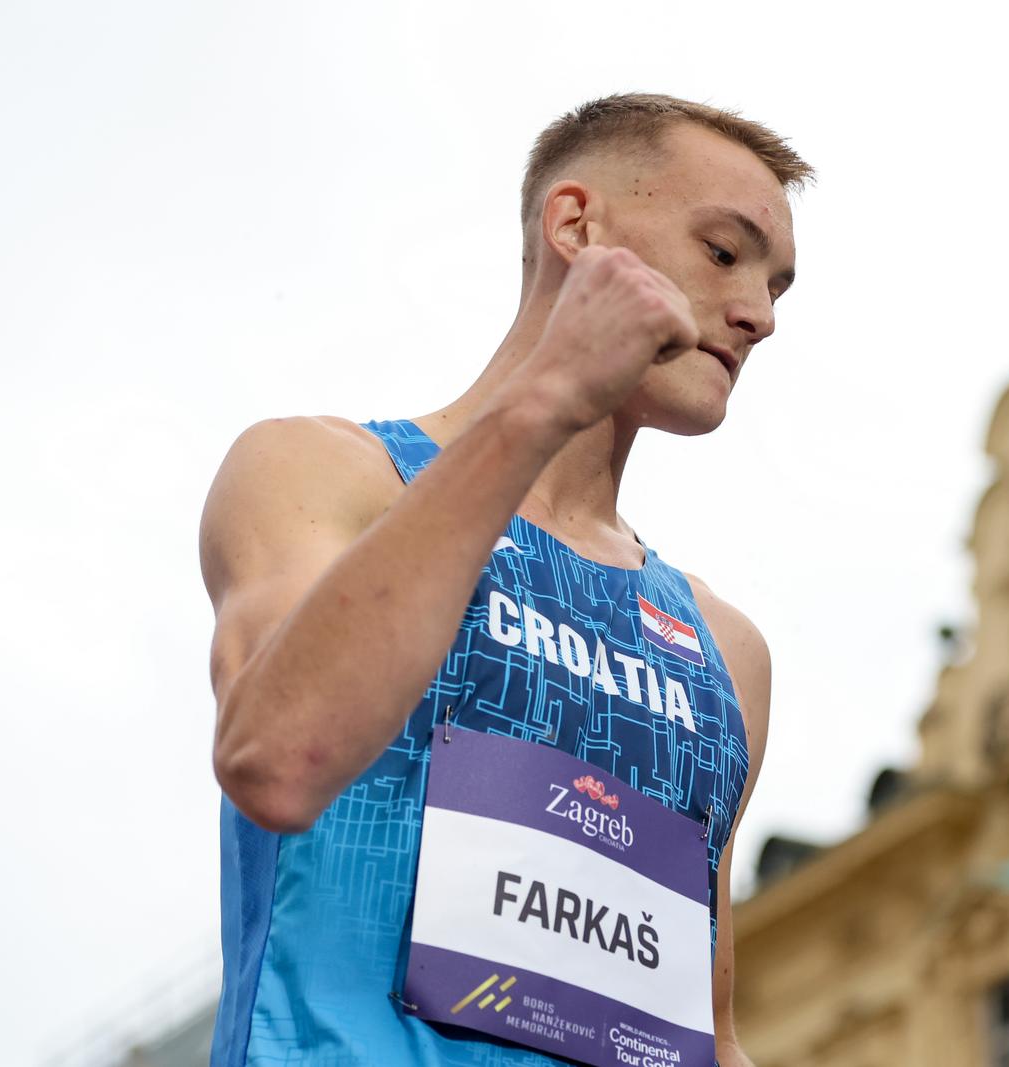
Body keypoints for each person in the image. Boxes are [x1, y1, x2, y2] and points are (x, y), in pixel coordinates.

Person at [197, 93, 811, 1066]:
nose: (759, 314)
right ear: (575, 226)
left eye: (779, 284)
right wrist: (545, 401)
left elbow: (708, 1033)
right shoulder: (327, 475)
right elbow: (278, 757)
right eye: (724, 252)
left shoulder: (724, 648)